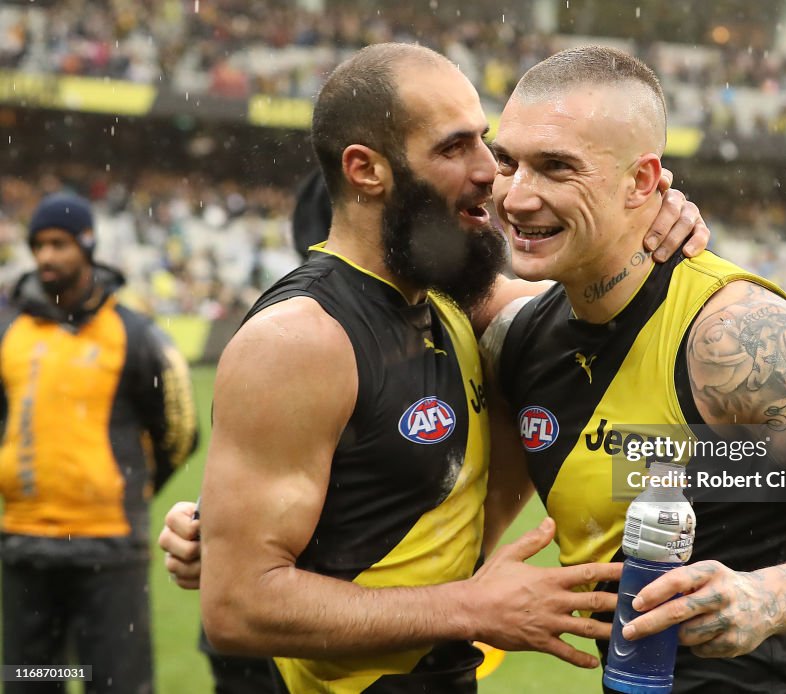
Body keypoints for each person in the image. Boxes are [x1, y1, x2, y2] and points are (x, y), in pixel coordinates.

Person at [181, 42, 709, 694]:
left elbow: (612, 310)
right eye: (455, 148)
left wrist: (648, 207)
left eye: (485, 142)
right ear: (366, 170)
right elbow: (237, 608)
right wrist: (472, 606)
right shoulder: (299, 340)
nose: (493, 171)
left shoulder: (456, 302)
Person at [482, 46, 786, 692]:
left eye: (556, 167)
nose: (515, 196)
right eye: (507, 161)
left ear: (643, 183)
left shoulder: (733, 338)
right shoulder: (517, 337)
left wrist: (766, 599)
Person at [0, 192, 198, 694]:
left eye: (60, 244)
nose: (46, 256)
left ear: (87, 245)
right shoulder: (9, 330)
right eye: (39, 245)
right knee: (31, 683)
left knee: (116, 684)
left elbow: (178, 429)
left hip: (108, 548)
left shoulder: (133, 334)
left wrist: (130, 486)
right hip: (25, 545)